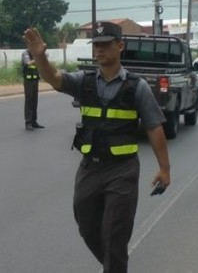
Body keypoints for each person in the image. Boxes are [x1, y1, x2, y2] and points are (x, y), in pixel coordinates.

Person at [23, 22, 171, 273]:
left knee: (114, 233)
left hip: (122, 171)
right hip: (90, 168)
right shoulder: (85, 81)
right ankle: (116, 265)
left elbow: (154, 128)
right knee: (86, 225)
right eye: (96, 45)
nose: (99, 50)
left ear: (120, 46)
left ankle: (114, 266)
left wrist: (164, 169)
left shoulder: (137, 87)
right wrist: (40, 57)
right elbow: (54, 79)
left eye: (105, 45)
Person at [21, 49, 44, 130]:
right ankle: (28, 122)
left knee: (35, 100)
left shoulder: (36, 54)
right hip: (28, 81)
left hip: (35, 80)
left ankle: (34, 121)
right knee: (29, 100)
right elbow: (28, 63)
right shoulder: (26, 54)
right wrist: (37, 59)